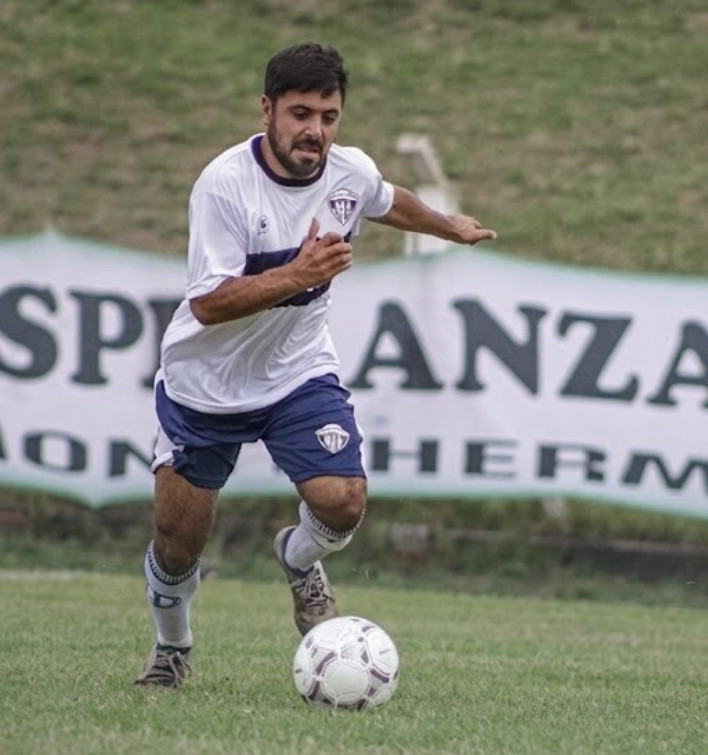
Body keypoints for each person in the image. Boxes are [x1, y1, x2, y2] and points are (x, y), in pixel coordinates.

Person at [135, 42, 497, 687]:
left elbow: (386, 198)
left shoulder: (346, 171)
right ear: (267, 109)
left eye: (329, 116)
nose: (316, 131)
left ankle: (299, 562)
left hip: (295, 372)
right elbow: (211, 304)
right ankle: (173, 648)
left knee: (343, 501)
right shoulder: (224, 186)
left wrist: (448, 227)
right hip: (205, 388)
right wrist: (297, 273)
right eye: (301, 114)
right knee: (177, 541)